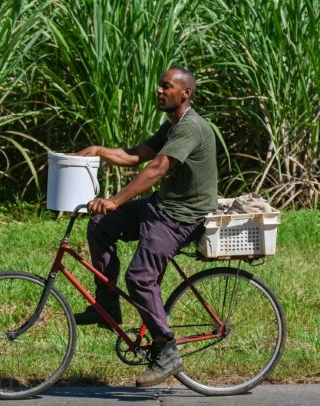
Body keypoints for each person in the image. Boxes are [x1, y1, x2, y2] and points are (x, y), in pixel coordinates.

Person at [73, 67, 218, 387]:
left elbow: (156, 169)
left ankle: (166, 349)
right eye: (159, 86)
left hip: (182, 217)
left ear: (185, 93)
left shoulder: (191, 128)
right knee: (100, 224)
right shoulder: (172, 127)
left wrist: (116, 199)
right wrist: (98, 151)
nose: (159, 91)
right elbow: (135, 155)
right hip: (161, 207)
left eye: (167, 87)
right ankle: (105, 307)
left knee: (140, 277)